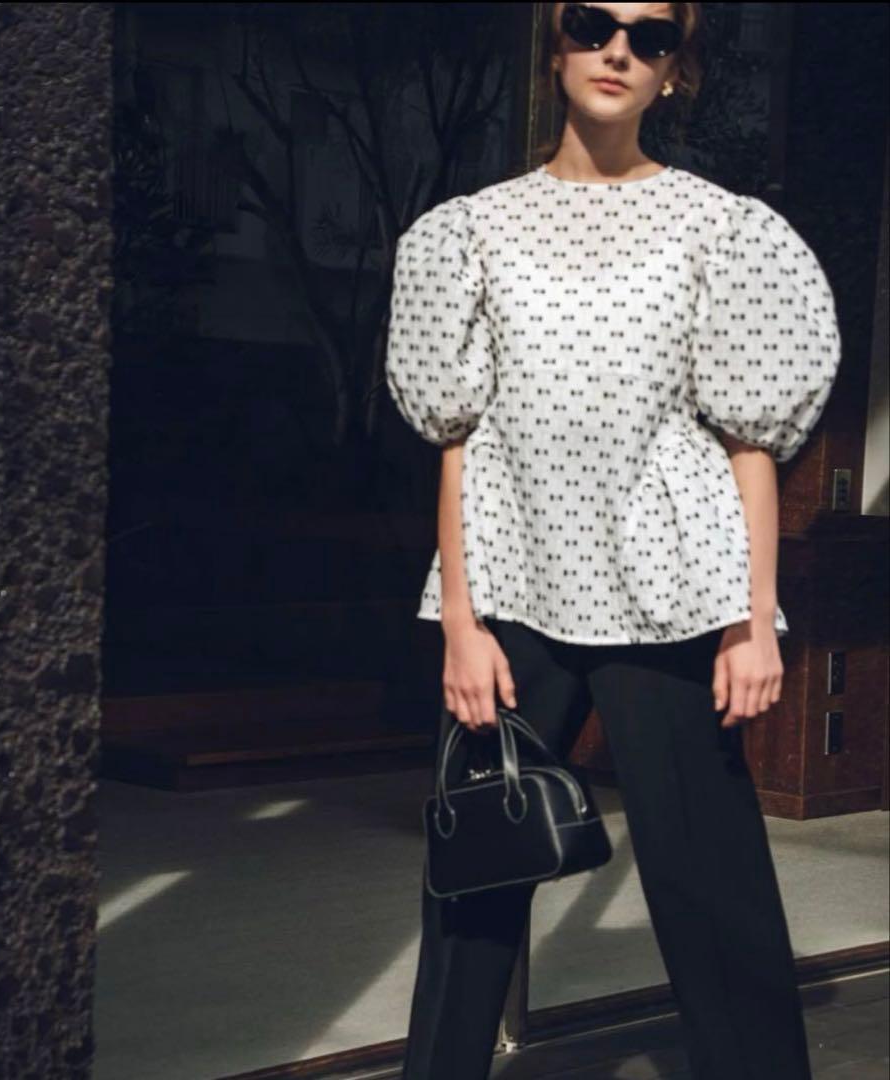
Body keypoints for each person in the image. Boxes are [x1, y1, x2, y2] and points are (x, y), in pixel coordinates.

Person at [384, 3, 841, 1079]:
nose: (618, 49)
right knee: (474, 874)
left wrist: (751, 619)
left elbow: (748, 443)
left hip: (671, 595)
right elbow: (456, 437)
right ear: (556, 49)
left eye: (651, 34)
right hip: (511, 596)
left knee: (711, 883)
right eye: (592, 24)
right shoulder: (471, 231)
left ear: (674, 70)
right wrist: (459, 622)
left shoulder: (721, 230)